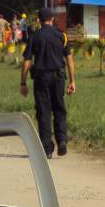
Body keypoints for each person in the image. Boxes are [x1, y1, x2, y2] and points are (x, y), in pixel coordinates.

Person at [20, 8, 76, 158]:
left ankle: (47, 148)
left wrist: (23, 83)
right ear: (52, 18)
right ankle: (62, 140)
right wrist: (72, 81)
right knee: (59, 109)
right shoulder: (61, 36)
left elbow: (27, 61)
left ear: (39, 20)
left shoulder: (34, 37)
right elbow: (69, 60)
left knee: (43, 112)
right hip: (58, 77)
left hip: (41, 78)